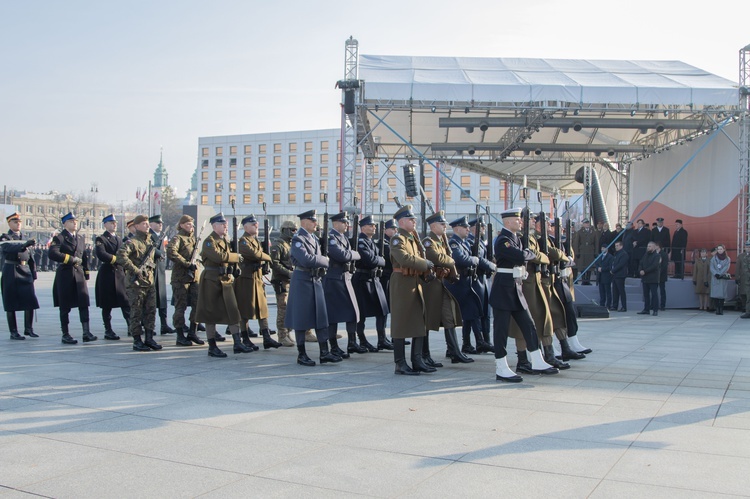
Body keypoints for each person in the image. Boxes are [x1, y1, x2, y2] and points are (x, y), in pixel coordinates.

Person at [489, 208, 558, 382]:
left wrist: (527, 254)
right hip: (504, 290)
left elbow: (523, 255)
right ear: (507, 222)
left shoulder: (515, 240)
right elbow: (521, 256)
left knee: (529, 325)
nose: (520, 222)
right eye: (517, 219)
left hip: (516, 289)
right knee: (501, 331)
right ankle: (501, 367)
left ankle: (537, 360)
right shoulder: (503, 240)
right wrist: (528, 254)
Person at [285, 209, 340, 366]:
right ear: (304, 222)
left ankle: (324, 352)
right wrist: (325, 260)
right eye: (313, 220)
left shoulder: (314, 238)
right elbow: (306, 260)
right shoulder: (298, 239)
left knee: (321, 316)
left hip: (315, 279)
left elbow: (313, 259)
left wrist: (320, 260)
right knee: (301, 318)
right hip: (302, 280)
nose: (316, 223)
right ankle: (302, 354)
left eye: (316, 220)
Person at [388, 205, 434, 375]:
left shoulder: (413, 239)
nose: (414, 221)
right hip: (401, 283)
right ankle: (400, 363)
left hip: (415, 282)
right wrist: (425, 264)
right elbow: (404, 259)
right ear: (401, 222)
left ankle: (417, 360)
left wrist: (425, 272)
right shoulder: (398, 239)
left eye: (414, 219)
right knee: (400, 323)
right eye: (410, 219)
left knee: (418, 321)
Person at [194, 213, 247, 357]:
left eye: (226, 225)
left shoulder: (225, 241)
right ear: (214, 226)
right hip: (211, 280)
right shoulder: (209, 241)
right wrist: (235, 257)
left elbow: (227, 258)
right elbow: (218, 257)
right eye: (222, 224)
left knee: (233, 311)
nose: (225, 227)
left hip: (225, 279)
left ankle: (237, 343)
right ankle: (212, 346)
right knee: (210, 313)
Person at [421, 212, 465, 371]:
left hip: (442, 284)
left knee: (449, 316)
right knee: (427, 321)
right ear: (433, 226)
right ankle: (424, 354)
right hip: (431, 285)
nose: (445, 227)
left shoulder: (441, 241)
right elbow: (435, 257)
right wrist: (451, 260)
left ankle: (455, 352)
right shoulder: (428, 241)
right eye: (442, 224)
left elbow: (443, 257)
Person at [49, 212, 96, 344]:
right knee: (65, 305)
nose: (74, 223)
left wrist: (86, 272)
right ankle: (65, 333)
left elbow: (84, 256)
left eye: (75, 221)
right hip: (66, 274)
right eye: (71, 221)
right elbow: (52, 253)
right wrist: (69, 259)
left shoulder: (80, 238)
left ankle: (86, 332)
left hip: (79, 274)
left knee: (83, 303)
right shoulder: (60, 238)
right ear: (64, 223)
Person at [116, 215, 162, 351]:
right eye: (143, 224)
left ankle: (149, 338)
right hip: (135, 284)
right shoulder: (133, 242)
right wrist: (135, 270)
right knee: (136, 312)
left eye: (147, 224)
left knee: (151, 311)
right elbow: (121, 255)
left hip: (149, 282)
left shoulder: (150, 242)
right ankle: (137, 340)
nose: (147, 226)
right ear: (136, 226)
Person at [235, 214, 280, 351]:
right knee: (245, 310)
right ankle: (245, 338)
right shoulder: (243, 241)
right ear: (246, 226)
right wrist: (268, 257)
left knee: (262, 309)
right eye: (253, 224)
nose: (256, 225)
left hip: (257, 278)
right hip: (246, 279)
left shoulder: (255, 240)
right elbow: (254, 254)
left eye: (257, 224)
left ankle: (266, 337)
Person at [445, 215, 487, 356]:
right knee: (452, 319)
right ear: (457, 228)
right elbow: (459, 258)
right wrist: (473, 259)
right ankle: (452, 348)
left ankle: (470, 343)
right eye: (465, 227)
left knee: (472, 312)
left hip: (466, 283)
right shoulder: (454, 243)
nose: (468, 229)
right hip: (457, 284)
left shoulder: (464, 243)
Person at [323, 211, 361, 358]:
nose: (347, 225)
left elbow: (347, 255)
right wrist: (354, 254)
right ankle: (333, 346)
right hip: (333, 279)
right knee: (333, 315)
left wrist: (351, 254)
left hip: (345, 278)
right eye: (344, 222)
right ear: (335, 223)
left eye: (347, 222)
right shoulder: (331, 238)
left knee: (353, 311)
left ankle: (352, 342)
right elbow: (342, 256)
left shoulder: (343, 238)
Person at [351, 215, 389, 352]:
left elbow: (377, 259)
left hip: (374, 279)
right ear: (363, 227)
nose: (374, 227)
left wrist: (378, 259)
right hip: (362, 280)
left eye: (374, 225)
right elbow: (370, 260)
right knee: (361, 314)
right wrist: (381, 260)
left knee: (383, 310)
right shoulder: (361, 241)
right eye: (371, 225)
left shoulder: (371, 242)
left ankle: (382, 339)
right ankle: (361, 340)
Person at [166, 214, 203, 347]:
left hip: (194, 278)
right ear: (181, 225)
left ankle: (193, 331)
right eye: (187, 224)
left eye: (192, 224)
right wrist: (186, 263)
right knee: (180, 307)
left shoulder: (193, 239)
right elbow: (171, 252)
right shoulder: (178, 238)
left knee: (197, 305)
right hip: (181, 278)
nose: (191, 227)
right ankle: (180, 335)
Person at [1, 212, 39, 340]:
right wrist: (24, 245)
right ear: (9, 223)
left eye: (19, 222)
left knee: (30, 300)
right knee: (10, 301)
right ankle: (13, 331)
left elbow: (31, 257)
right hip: (11, 270)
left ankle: (29, 328)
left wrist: (33, 272)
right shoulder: (5, 237)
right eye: (15, 222)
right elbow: (8, 249)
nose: (18, 224)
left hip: (24, 269)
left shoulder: (25, 237)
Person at [94, 214, 130, 341]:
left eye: (115, 222)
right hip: (107, 274)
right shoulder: (101, 239)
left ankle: (131, 326)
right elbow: (102, 254)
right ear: (105, 225)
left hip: (120, 273)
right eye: (111, 223)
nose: (114, 224)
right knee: (107, 304)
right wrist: (117, 259)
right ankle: (108, 330)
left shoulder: (120, 239)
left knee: (125, 301)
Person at [269, 220, 300, 346]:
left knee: (289, 309)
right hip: (281, 280)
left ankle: (287, 332)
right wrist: (288, 272)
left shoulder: (289, 244)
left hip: (289, 280)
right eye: (292, 230)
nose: (294, 232)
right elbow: (274, 263)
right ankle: (282, 335)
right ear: (285, 230)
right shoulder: (278, 244)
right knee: (282, 308)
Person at [468, 218, 496, 352]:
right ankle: (480, 341)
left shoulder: (481, 242)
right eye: (482, 227)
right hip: (476, 279)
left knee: (486, 311)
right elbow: (478, 259)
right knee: (476, 312)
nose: (484, 229)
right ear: (474, 228)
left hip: (484, 279)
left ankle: (486, 340)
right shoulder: (470, 241)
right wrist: (491, 265)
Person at [148, 215, 175, 335]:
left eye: (161, 223)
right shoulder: (148, 235)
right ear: (151, 224)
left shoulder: (162, 236)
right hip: (151, 270)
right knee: (151, 301)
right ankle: (150, 326)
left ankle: (164, 324)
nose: (160, 225)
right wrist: (158, 253)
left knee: (162, 299)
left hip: (161, 270)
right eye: (157, 223)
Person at [637, 241, 661, 316]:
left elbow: (654, 266)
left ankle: (655, 310)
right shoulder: (645, 255)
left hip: (653, 278)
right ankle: (646, 309)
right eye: (648, 246)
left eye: (650, 246)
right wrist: (640, 270)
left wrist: (645, 271)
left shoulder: (657, 256)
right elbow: (641, 263)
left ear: (654, 247)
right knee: (646, 295)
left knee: (654, 295)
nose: (648, 248)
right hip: (645, 278)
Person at [572, 218, 598, 284]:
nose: (587, 224)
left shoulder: (593, 232)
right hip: (582, 251)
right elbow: (576, 243)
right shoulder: (580, 232)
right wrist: (577, 252)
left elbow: (596, 243)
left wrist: (596, 252)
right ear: (583, 224)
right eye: (586, 223)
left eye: (588, 223)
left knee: (589, 266)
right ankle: (584, 280)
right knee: (582, 266)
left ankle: (588, 280)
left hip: (590, 251)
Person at [709, 244, 731, 315]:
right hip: (715, 278)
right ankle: (717, 309)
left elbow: (726, 267)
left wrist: (720, 274)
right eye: (718, 249)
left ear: (724, 250)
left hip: (722, 278)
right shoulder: (713, 258)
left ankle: (721, 309)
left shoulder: (727, 258)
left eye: (721, 249)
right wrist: (716, 274)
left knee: (722, 295)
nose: (719, 250)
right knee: (715, 294)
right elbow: (711, 267)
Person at [611, 240, 629, 312]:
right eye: (615, 246)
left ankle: (624, 307)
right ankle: (615, 306)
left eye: (617, 246)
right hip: (615, 275)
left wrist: (613, 270)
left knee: (621, 291)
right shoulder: (617, 254)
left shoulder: (624, 254)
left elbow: (621, 264)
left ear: (621, 246)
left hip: (620, 275)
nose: (616, 247)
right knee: (615, 291)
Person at [596, 244, 613, 309]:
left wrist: (602, 269)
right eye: (602, 248)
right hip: (600, 277)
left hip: (607, 277)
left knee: (608, 292)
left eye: (604, 248)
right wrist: (598, 268)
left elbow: (610, 266)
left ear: (607, 249)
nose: (602, 249)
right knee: (601, 292)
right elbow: (597, 264)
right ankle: (602, 304)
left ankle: (608, 305)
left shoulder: (610, 257)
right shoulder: (599, 256)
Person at [735, 241, 750, 318]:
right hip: (744, 278)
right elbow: (737, 267)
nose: (748, 248)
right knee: (744, 294)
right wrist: (737, 277)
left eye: (749, 247)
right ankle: (745, 308)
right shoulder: (741, 256)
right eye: (747, 247)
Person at [657, 241, 669, 310]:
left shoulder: (664, 254)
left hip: (661, 275)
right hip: (654, 276)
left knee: (662, 291)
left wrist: (659, 272)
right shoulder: (653, 253)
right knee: (654, 291)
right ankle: (653, 304)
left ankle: (662, 305)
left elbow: (664, 265)